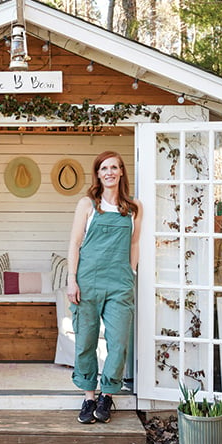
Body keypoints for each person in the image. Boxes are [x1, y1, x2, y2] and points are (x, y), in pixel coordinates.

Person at [66, 151, 142, 424]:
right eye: (104, 168)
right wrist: (71, 279)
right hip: (88, 282)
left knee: (119, 343)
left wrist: (131, 273)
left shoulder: (134, 208)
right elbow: (75, 244)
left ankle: (107, 395)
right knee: (86, 341)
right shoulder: (88, 204)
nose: (109, 172)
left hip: (120, 284)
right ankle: (89, 396)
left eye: (114, 167)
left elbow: (134, 244)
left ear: (121, 172)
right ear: (98, 174)